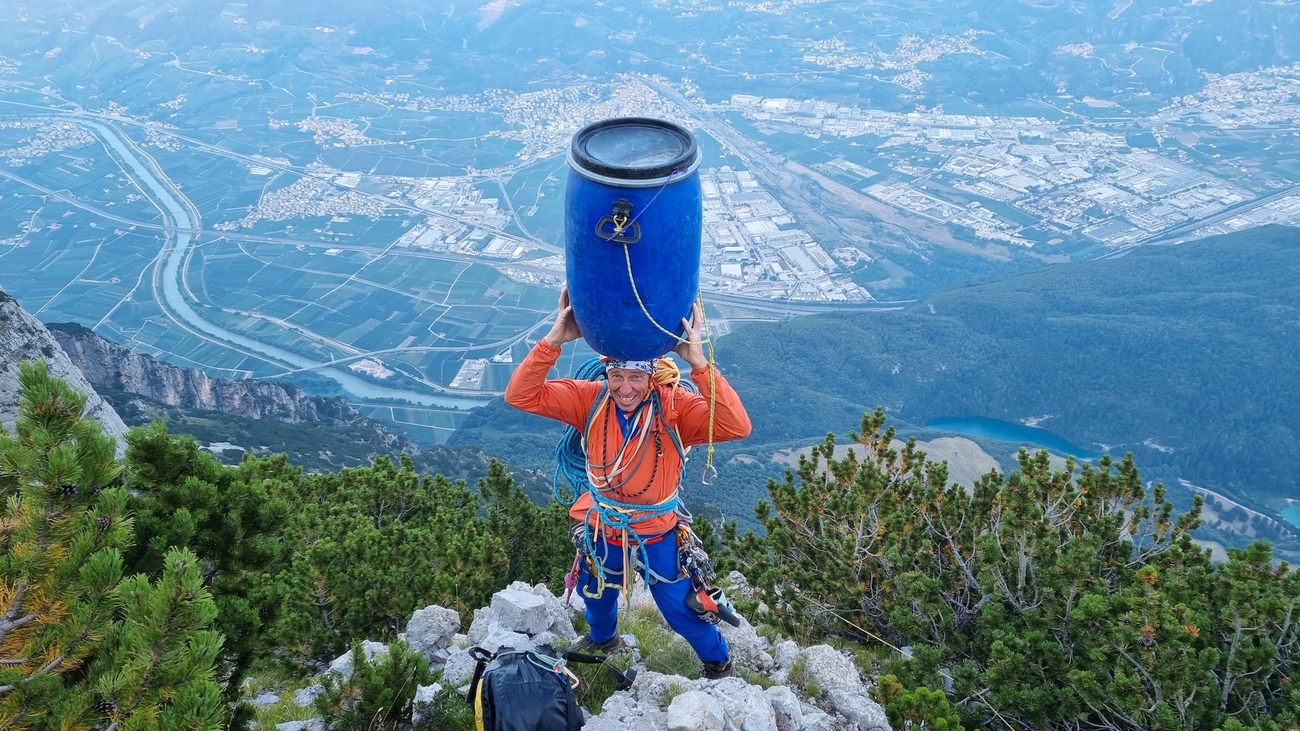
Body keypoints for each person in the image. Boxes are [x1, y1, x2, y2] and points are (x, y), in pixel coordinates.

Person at [504, 287, 752, 679]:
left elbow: (735, 425)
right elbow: (520, 395)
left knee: (678, 606)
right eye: (616, 375)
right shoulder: (591, 399)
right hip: (604, 520)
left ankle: (718, 661)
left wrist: (698, 363)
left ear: (651, 376)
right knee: (596, 591)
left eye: (636, 376)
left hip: (656, 528)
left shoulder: (674, 408)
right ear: (606, 373)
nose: (624, 388)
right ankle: (605, 640)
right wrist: (555, 339)